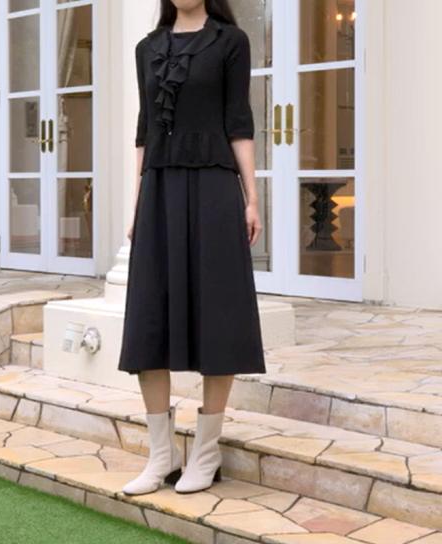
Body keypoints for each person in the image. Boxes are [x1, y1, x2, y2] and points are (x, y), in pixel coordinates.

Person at [117, 0, 266, 495]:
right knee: (148, 318)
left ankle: (205, 453)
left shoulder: (230, 41)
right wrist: (136, 204)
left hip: (215, 189)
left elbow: (239, 122)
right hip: (159, 191)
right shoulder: (147, 48)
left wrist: (251, 198)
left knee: (218, 314)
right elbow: (144, 131)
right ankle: (161, 456)